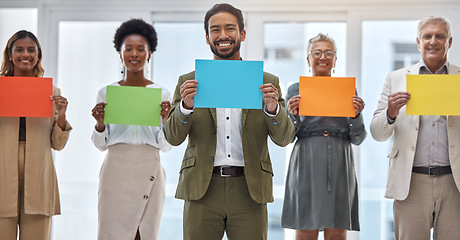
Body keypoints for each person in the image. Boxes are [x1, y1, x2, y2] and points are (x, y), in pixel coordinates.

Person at [163, 3, 295, 240]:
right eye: (215, 30)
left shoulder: (266, 82)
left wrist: (273, 109)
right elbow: (172, 137)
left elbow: (284, 138)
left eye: (230, 29)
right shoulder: (188, 82)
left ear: (242, 34)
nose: (223, 35)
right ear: (207, 37)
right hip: (202, 189)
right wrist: (185, 107)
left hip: (249, 189)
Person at [370, 15, 460, 240]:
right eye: (427, 36)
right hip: (410, 183)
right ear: (418, 42)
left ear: (449, 42)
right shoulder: (396, 78)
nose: (433, 41)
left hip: (454, 182)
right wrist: (390, 113)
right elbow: (376, 133)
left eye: (440, 36)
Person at [91, 19, 172, 240]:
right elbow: (100, 145)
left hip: (149, 168)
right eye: (128, 48)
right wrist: (99, 123)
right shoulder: (106, 93)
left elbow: (165, 147)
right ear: (120, 53)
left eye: (140, 49)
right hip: (115, 171)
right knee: (112, 233)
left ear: (149, 54)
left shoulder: (162, 94)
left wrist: (166, 122)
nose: (134, 54)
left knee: (144, 233)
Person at [281, 33, 366, 240]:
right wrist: (292, 116)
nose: (323, 57)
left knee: (337, 230)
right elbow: (286, 138)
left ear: (335, 60)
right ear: (308, 58)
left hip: (340, 160)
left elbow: (358, 138)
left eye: (329, 53)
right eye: (317, 52)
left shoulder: (346, 90)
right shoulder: (295, 89)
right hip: (306, 160)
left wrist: (356, 114)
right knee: (305, 228)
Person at [0, 30, 72, 240]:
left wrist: (62, 116)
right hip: (3, 170)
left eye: (32, 50)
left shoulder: (51, 91)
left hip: (39, 173)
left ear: (38, 55)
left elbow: (57, 144)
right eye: (19, 49)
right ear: (10, 54)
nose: (26, 54)